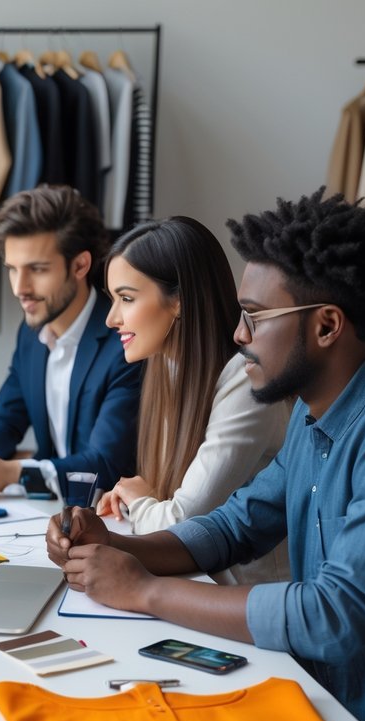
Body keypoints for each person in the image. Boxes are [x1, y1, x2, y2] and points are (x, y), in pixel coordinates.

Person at [47, 190, 365, 721]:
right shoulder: (317, 420)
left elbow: (335, 614)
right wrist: (116, 546)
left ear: (327, 325)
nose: (237, 335)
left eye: (254, 317)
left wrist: (144, 592)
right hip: (323, 710)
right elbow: (233, 527)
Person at [98, 216, 291, 584]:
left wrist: (140, 503)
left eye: (126, 298)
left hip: (245, 608)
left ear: (180, 302)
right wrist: (141, 497)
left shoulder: (242, 382)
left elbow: (180, 525)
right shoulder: (168, 371)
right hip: (192, 587)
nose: (111, 319)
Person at [0, 185, 142, 500]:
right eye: (12, 270)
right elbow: (6, 419)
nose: (21, 288)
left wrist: (13, 473)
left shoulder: (125, 342)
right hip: (49, 514)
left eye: (37, 269)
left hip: (111, 522)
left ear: (80, 265)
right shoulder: (32, 334)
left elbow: (106, 464)